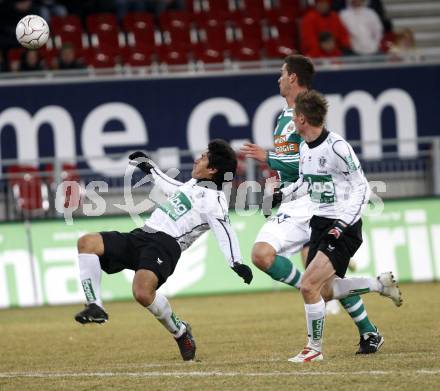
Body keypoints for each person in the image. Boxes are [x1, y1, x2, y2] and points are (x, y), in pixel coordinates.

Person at [241, 54, 384, 355]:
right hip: (295, 199)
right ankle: (330, 296)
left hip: (314, 202)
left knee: (322, 276)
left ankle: (367, 331)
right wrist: (277, 186)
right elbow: (296, 167)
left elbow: (307, 163)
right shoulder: (284, 116)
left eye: (281, 73)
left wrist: (269, 159)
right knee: (264, 256)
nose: (278, 78)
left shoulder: (305, 116)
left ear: (293, 77)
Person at [74, 139, 253, 361]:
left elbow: (225, 231)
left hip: (165, 246)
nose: (198, 158)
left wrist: (236, 262)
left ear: (213, 170)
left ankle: (180, 331)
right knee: (87, 243)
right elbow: (169, 185)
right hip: (142, 235)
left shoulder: (215, 202)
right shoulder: (192, 185)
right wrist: (148, 166)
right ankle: (95, 306)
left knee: (141, 292)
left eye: (204, 157)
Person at [268, 90, 402, 362]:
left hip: (343, 226)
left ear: (302, 119)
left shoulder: (337, 147)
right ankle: (379, 285)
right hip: (319, 223)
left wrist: (342, 224)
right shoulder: (306, 148)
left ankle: (313, 349)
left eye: (294, 116)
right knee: (325, 290)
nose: (292, 120)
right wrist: (284, 194)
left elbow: (361, 188)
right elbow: (306, 183)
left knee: (308, 285)